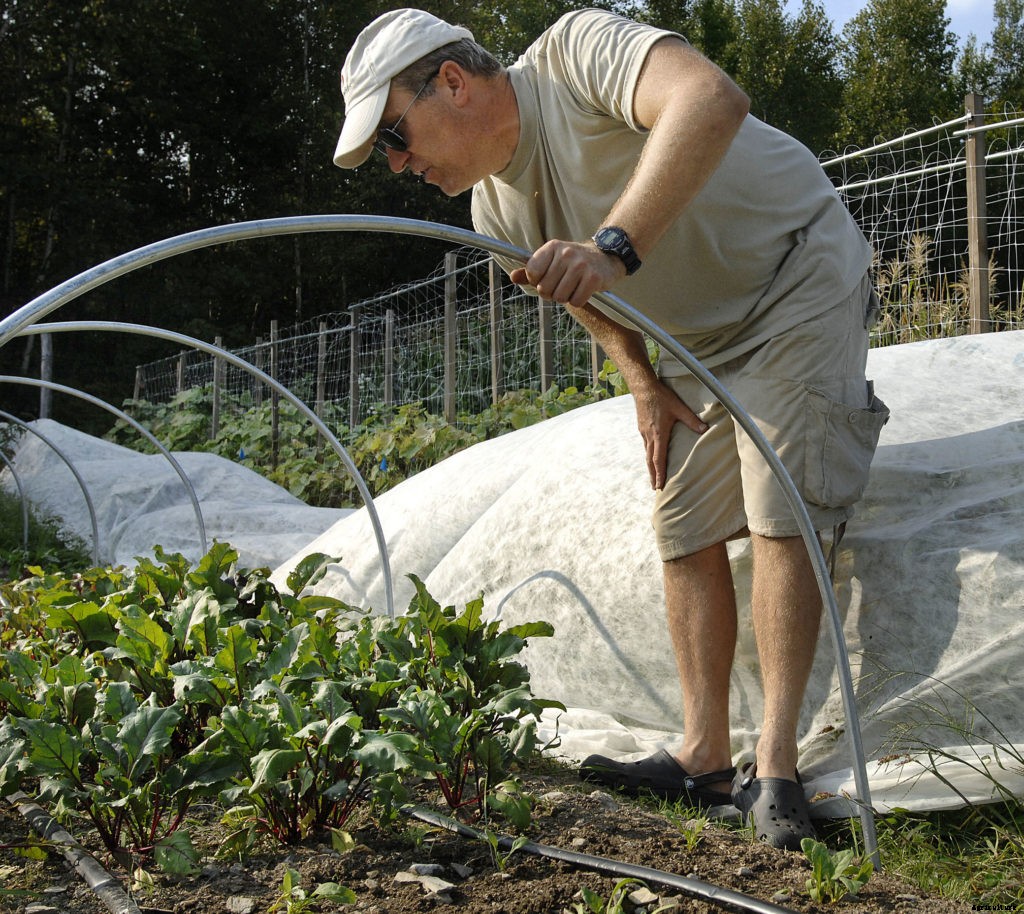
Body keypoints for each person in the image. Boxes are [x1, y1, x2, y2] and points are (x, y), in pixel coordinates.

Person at [332, 7, 889, 851]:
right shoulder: (493, 212)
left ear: (451, 81)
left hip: (795, 277)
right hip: (698, 344)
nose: (399, 163)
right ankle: (704, 756)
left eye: (394, 135)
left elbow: (709, 99)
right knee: (682, 522)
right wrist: (639, 376)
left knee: (783, 502)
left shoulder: (575, 55)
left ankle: (775, 770)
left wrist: (613, 245)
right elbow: (577, 295)